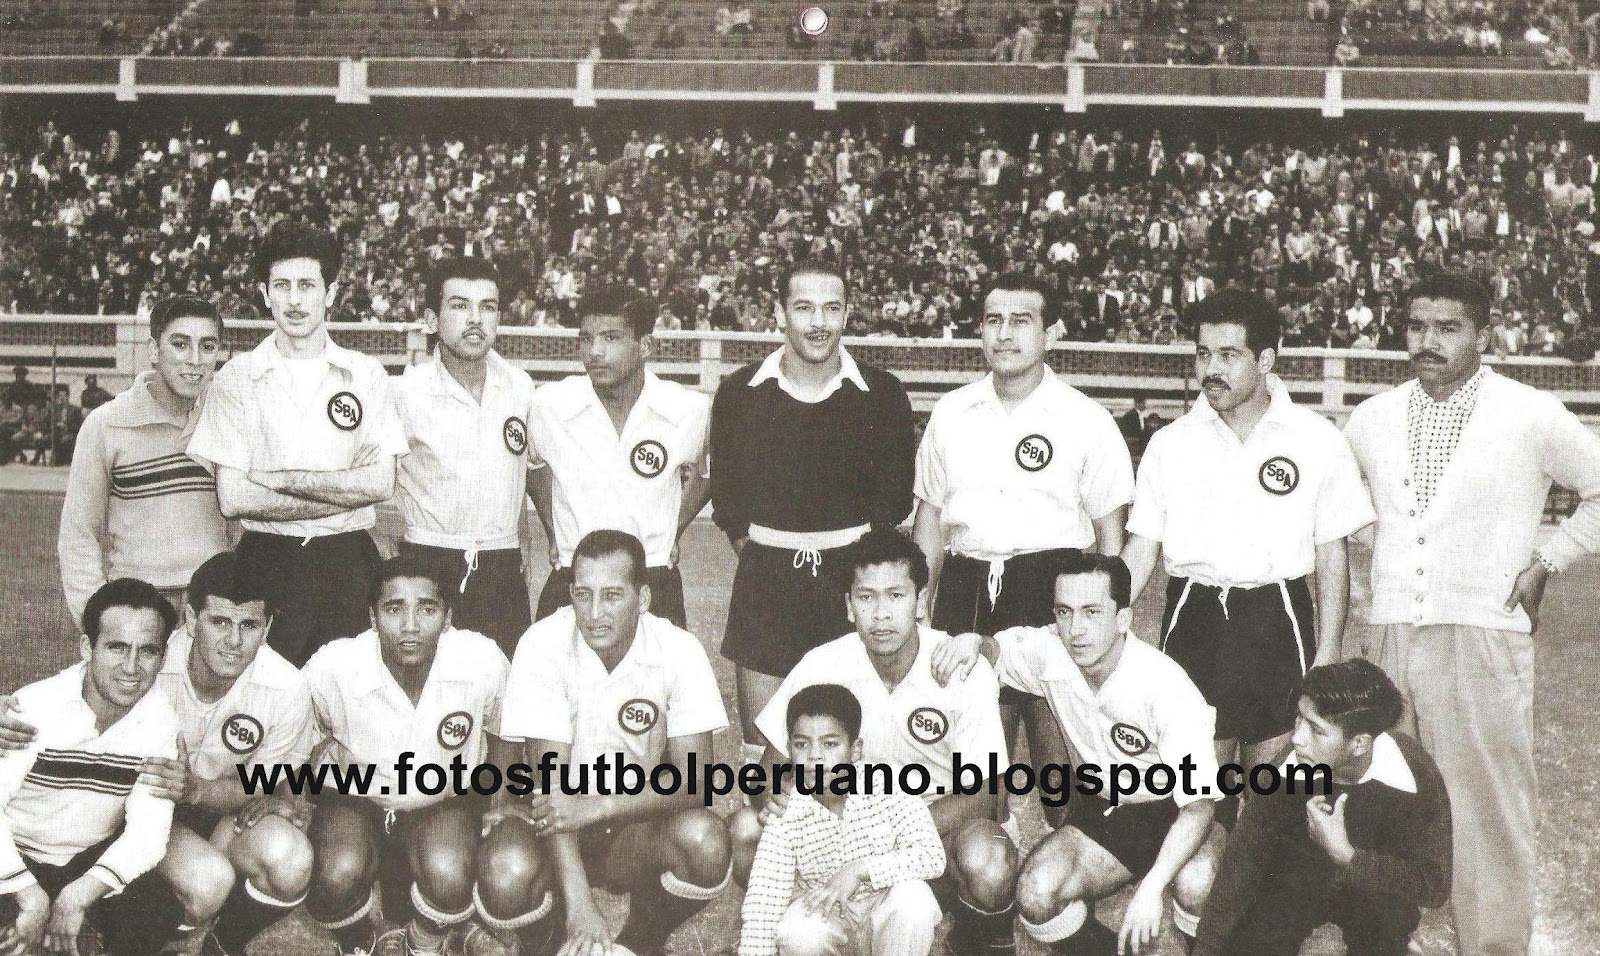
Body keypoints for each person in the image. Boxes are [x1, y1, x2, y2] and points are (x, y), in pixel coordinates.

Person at [1343, 271, 1600, 956]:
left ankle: (1493, 947)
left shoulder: (1529, 412)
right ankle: (1388, 939)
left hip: (1482, 634)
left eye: (1447, 328)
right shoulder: (1371, 418)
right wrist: (1381, 556)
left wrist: (1548, 561)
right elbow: (1340, 507)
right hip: (1390, 634)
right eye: (1416, 326)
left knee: (1484, 809)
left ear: (1482, 334)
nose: (1428, 341)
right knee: (1387, 796)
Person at [1120, 288, 1374, 823]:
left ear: (1265, 360)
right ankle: (1202, 877)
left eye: (1228, 355)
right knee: (1198, 790)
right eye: (1203, 354)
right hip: (1193, 617)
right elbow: (1141, 546)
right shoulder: (1170, 444)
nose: (1211, 369)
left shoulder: (1316, 439)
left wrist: (1328, 648)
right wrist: (1112, 610)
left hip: (1277, 618)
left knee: (1273, 793)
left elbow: (1332, 555)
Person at [0, 553, 317, 956]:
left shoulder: (283, 689)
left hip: (184, 814)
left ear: (267, 626)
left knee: (262, 865)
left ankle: (216, 943)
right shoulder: (139, 664)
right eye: (220, 622)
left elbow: (263, 784)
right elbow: (81, 685)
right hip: (97, 819)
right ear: (192, 618)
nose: (234, 641)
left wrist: (201, 791)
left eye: (249, 625)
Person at [910, 271, 1131, 834]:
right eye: (993, 321)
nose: (1004, 334)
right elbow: (930, 519)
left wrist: (1106, 621)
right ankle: (990, 869)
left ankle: (1067, 866)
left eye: (1021, 321)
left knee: (1061, 769)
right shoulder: (951, 413)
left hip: (1052, 584)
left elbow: (1110, 537)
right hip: (966, 584)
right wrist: (920, 607)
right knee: (971, 769)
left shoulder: (1086, 419)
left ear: (1051, 332)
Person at [733, 528, 1015, 954]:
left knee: (988, 860)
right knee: (745, 830)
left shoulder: (959, 667)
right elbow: (768, 771)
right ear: (849, 605)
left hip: (933, 830)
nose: (881, 614)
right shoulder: (823, 663)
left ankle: (973, 937)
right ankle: (808, 922)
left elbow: (987, 796)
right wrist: (777, 798)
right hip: (838, 827)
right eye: (866, 597)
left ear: (921, 601)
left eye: (896, 596)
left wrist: (880, 840)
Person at [932, 552, 1221, 955]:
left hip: (1179, 809)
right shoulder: (1051, 652)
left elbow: (1200, 807)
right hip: (1112, 810)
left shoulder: (1166, 687)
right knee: (1036, 892)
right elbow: (996, 650)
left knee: (1198, 882)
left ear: (1123, 618)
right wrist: (972, 642)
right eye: (1064, 612)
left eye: (1092, 612)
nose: (1076, 629)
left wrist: (1152, 889)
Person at [485, 530, 732, 956]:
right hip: (548, 821)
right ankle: (547, 943)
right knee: (505, 870)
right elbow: (552, 790)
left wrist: (601, 805)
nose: (595, 613)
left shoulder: (678, 648)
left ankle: (639, 943)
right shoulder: (542, 644)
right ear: (570, 594)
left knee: (705, 842)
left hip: (631, 818)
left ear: (643, 597)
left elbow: (696, 782)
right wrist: (580, 906)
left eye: (612, 596)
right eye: (583, 594)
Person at [712, 259, 916, 757]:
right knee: (765, 755)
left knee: (851, 748)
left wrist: (845, 562)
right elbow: (729, 499)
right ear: (779, 313)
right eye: (804, 308)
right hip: (765, 585)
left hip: (849, 584)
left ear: (847, 314)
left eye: (831, 308)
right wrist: (770, 555)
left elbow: (894, 498)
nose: (819, 322)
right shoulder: (739, 392)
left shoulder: (882, 393)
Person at [188, 221, 409, 668]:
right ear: (264, 293)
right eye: (282, 286)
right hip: (266, 560)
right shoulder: (236, 379)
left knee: (345, 694)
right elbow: (234, 499)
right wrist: (343, 492)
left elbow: (380, 484)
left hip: (348, 559)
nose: (293, 300)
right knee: (265, 695)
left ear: (330, 293)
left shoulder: (365, 374)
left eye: (307, 286)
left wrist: (279, 480)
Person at [300, 558, 511, 956]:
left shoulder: (480, 659)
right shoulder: (334, 665)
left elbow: (505, 730)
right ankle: (360, 937)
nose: (410, 625)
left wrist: (497, 802)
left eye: (426, 609)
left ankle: (426, 937)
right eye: (394, 608)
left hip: (442, 798)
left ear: (447, 617)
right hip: (358, 799)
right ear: (373, 617)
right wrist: (301, 783)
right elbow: (294, 729)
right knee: (335, 872)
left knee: (450, 872)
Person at [1195, 658, 1452, 956]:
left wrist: (1347, 855)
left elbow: (1433, 887)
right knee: (1253, 932)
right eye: (1299, 718)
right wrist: (1206, 949)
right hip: (1298, 877)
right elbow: (1240, 867)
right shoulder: (1285, 771)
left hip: (1372, 888)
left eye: (1316, 730)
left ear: (1359, 744)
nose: (1297, 738)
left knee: (1386, 924)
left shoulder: (1413, 772)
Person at [0, 579, 186, 956]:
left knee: (156, 909)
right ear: (88, 647)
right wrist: (27, 893)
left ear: (163, 657)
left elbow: (148, 834)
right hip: (18, 850)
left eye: (147, 651)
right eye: (117, 647)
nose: (131, 667)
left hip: (85, 859)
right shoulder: (33, 709)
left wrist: (77, 897)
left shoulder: (161, 723)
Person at [528, 287, 711, 629]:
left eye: (611, 338)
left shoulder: (688, 410)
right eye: (586, 339)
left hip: (653, 576)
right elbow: (532, 466)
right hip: (573, 575)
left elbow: (710, 474)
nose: (594, 352)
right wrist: (552, 530)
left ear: (645, 346)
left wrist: (674, 527)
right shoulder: (549, 405)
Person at [738, 683, 946, 956]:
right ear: (789, 750)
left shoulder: (887, 784)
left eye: (830, 744)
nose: (815, 755)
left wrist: (860, 870)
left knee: (914, 899)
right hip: (829, 918)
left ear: (855, 749)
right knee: (797, 932)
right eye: (801, 744)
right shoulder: (786, 810)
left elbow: (931, 856)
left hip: (886, 917)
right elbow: (764, 903)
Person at [393, 257, 536, 656]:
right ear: (432, 319)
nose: (475, 319)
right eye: (459, 306)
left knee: (506, 681)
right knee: (427, 681)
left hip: (502, 563)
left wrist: (523, 535)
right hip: (429, 559)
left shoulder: (519, 387)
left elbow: (524, 467)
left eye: (487, 307)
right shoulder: (405, 394)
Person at [59, 296, 231, 623]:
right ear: (154, 350)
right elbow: (78, 535)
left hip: (211, 604)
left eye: (207, 347)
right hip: (137, 603)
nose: (195, 360)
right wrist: (93, 618)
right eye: (180, 344)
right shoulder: (105, 424)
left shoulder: (226, 419)